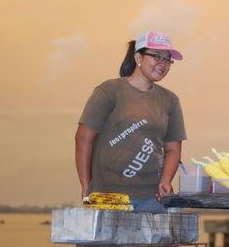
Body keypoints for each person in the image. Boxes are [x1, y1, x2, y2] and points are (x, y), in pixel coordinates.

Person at [75, 31, 187, 213]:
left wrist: (166, 180)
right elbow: (83, 139)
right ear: (138, 57)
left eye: (167, 60)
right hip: (107, 197)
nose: (163, 64)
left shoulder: (170, 100)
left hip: (152, 199)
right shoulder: (109, 90)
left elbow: (173, 149)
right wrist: (87, 185)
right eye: (157, 57)